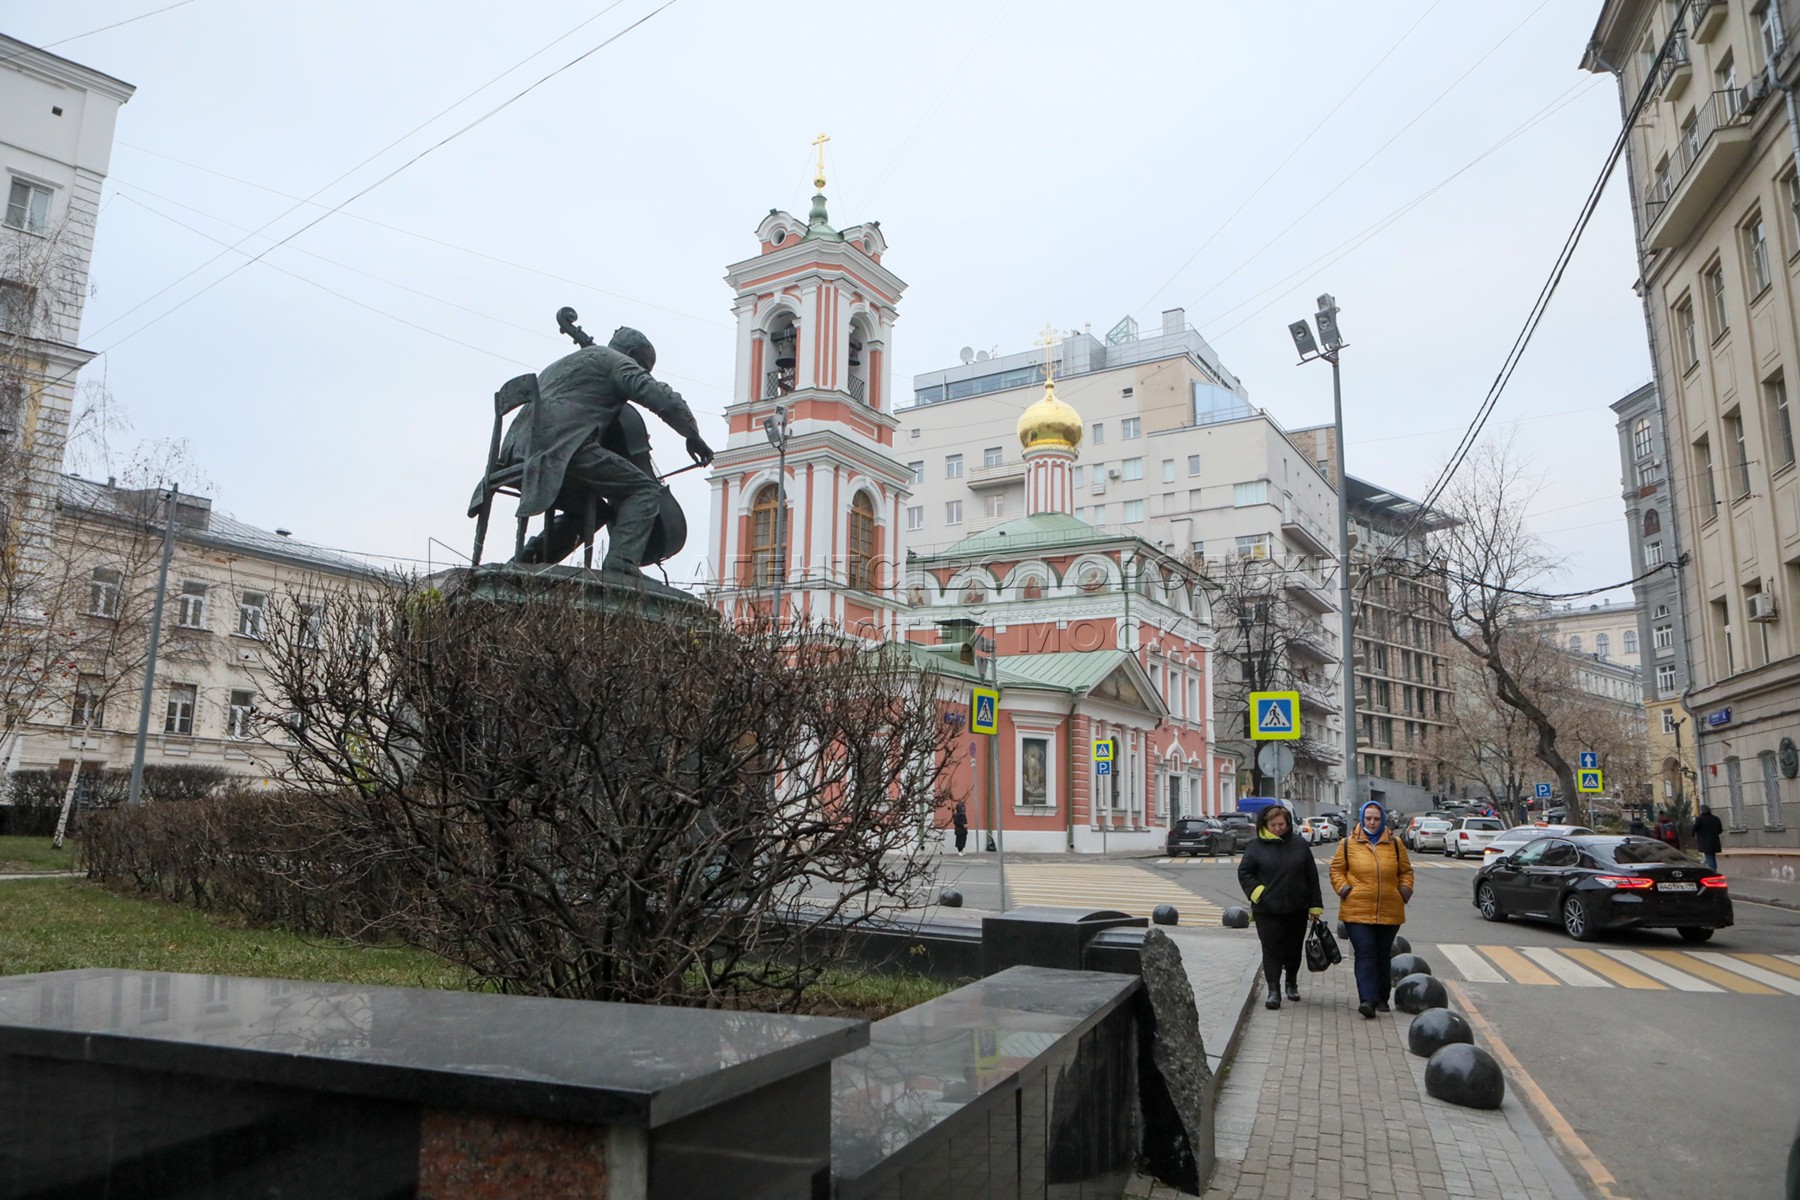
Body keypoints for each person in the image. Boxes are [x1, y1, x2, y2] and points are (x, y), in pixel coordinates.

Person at [501, 326, 714, 571]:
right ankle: (621, 565)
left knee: (593, 512)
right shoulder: (617, 362)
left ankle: (528, 562)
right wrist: (692, 434)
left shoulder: (563, 365)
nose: (643, 372)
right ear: (631, 353)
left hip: (515, 453)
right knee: (644, 490)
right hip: (560, 449)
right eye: (644, 366)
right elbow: (663, 399)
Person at [1330, 800, 1415, 1019]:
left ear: (1383, 820)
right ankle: (1367, 1000)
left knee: (1382, 954)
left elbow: (1406, 871)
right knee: (1365, 952)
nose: (1372, 822)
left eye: (1376, 818)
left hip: (1389, 909)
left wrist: (1403, 892)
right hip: (1357, 909)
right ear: (1361, 818)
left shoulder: (1395, 844)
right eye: (1368, 818)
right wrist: (1345, 890)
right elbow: (1336, 870)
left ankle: (1382, 998)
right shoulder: (1348, 844)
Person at [1236, 805, 1324, 1010]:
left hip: (1297, 908)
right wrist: (1258, 893)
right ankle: (1273, 991)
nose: (1277, 828)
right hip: (1267, 910)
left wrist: (1315, 906)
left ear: (1288, 824)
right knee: (1271, 950)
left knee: (1293, 950)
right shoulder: (1255, 847)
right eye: (1273, 825)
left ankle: (1291, 983)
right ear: (1265, 825)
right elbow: (1244, 873)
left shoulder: (1299, 845)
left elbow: (1311, 877)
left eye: (1281, 824)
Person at [1692, 804, 1724, 872]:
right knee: (1711, 856)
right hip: (1715, 841)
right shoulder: (1716, 819)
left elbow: (1694, 828)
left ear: (1702, 811)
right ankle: (1710, 870)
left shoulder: (1700, 819)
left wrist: (1693, 835)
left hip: (1705, 842)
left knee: (1709, 856)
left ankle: (1713, 871)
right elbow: (1720, 830)